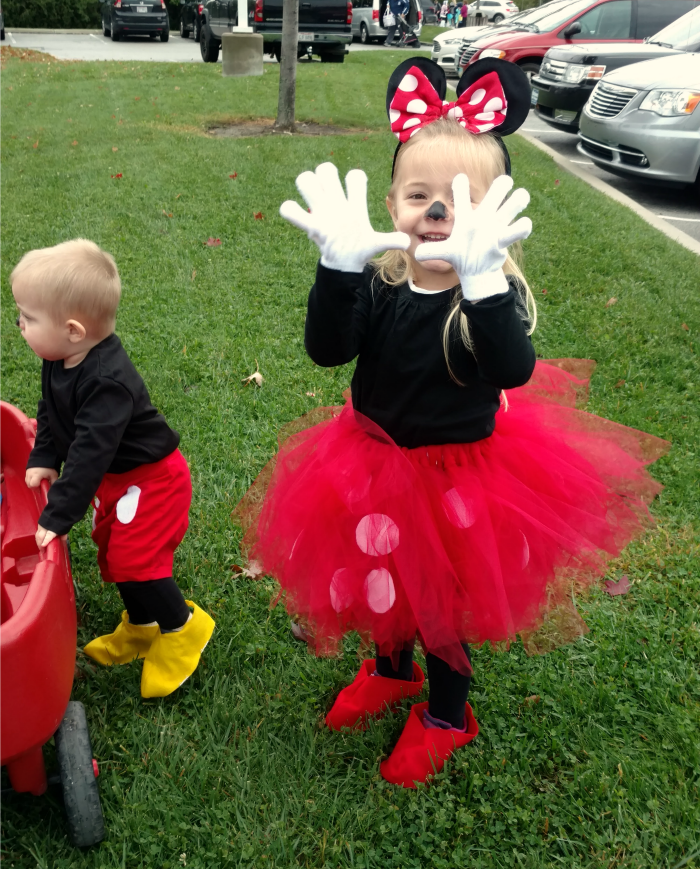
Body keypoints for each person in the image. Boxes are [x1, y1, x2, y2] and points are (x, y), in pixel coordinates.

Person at [235, 58, 669, 788]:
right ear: (394, 201)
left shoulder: (488, 298)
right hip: (369, 459)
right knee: (383, 579)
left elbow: (511, 369)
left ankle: (445, 713)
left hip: (457, 481)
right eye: (419, 193)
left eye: (462, 199)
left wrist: (485, 283)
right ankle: (389, 671)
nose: (437, 210)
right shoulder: (381, 281)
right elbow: (327, 351)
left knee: (443, 603)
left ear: (495, 213)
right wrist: (337, 273)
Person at [11, 239, 215, 699]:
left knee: (136, 558)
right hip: (120, 482)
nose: (20, 324)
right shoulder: (57, 357)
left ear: (73, 330)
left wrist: (58, 512)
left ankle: (183, 628)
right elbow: (53, 411)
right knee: (112, 551)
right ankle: (141, 627)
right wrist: (44, 456)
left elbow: (89, 451)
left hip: (154, 480)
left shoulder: (106, 382)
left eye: (28, 316)